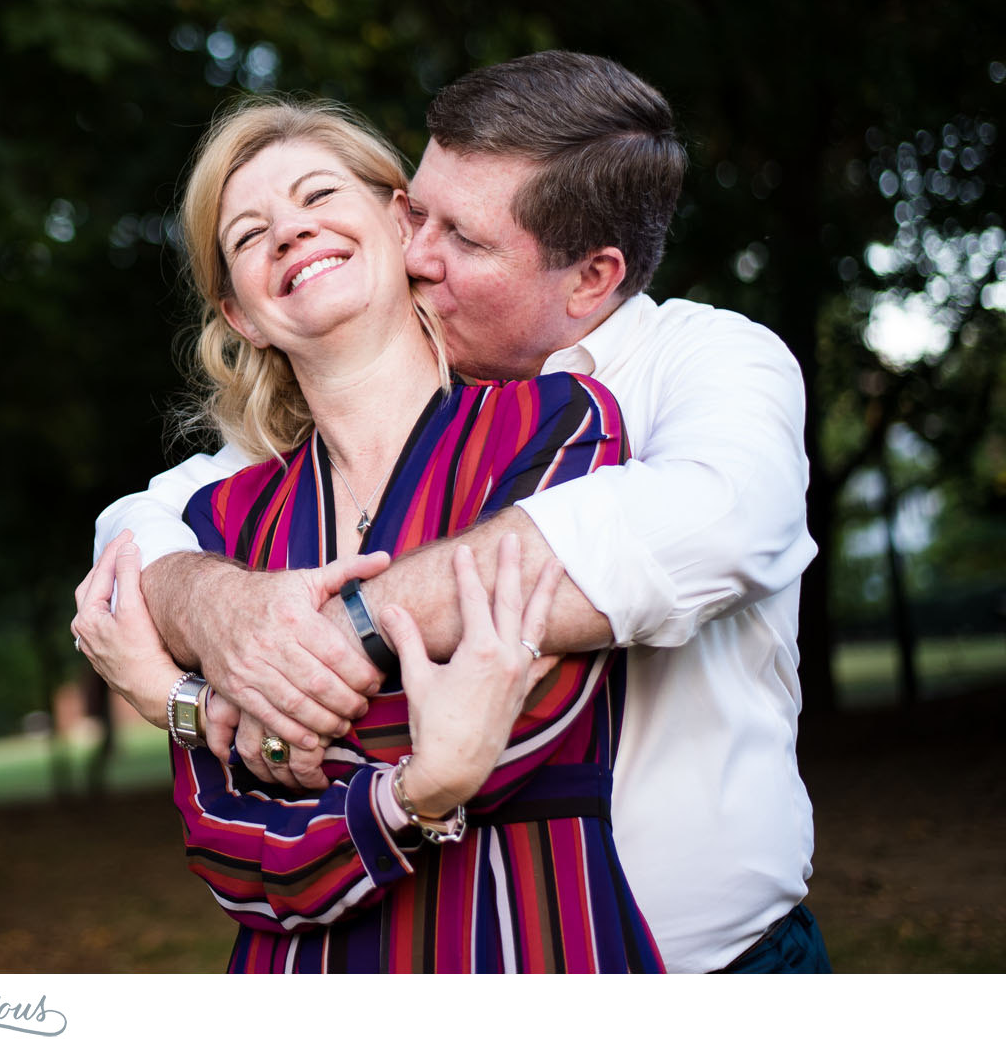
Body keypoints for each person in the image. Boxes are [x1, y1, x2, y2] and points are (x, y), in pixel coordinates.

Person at [90, 51, 825, 973]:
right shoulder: (271, 476)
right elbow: (140, 529)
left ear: (592, 280)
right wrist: (216, 624)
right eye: (416, 213)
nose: (417, 251)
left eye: (464, 240)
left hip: (702, 965)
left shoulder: (681, 372)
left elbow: (706, 526)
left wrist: (307, 649)